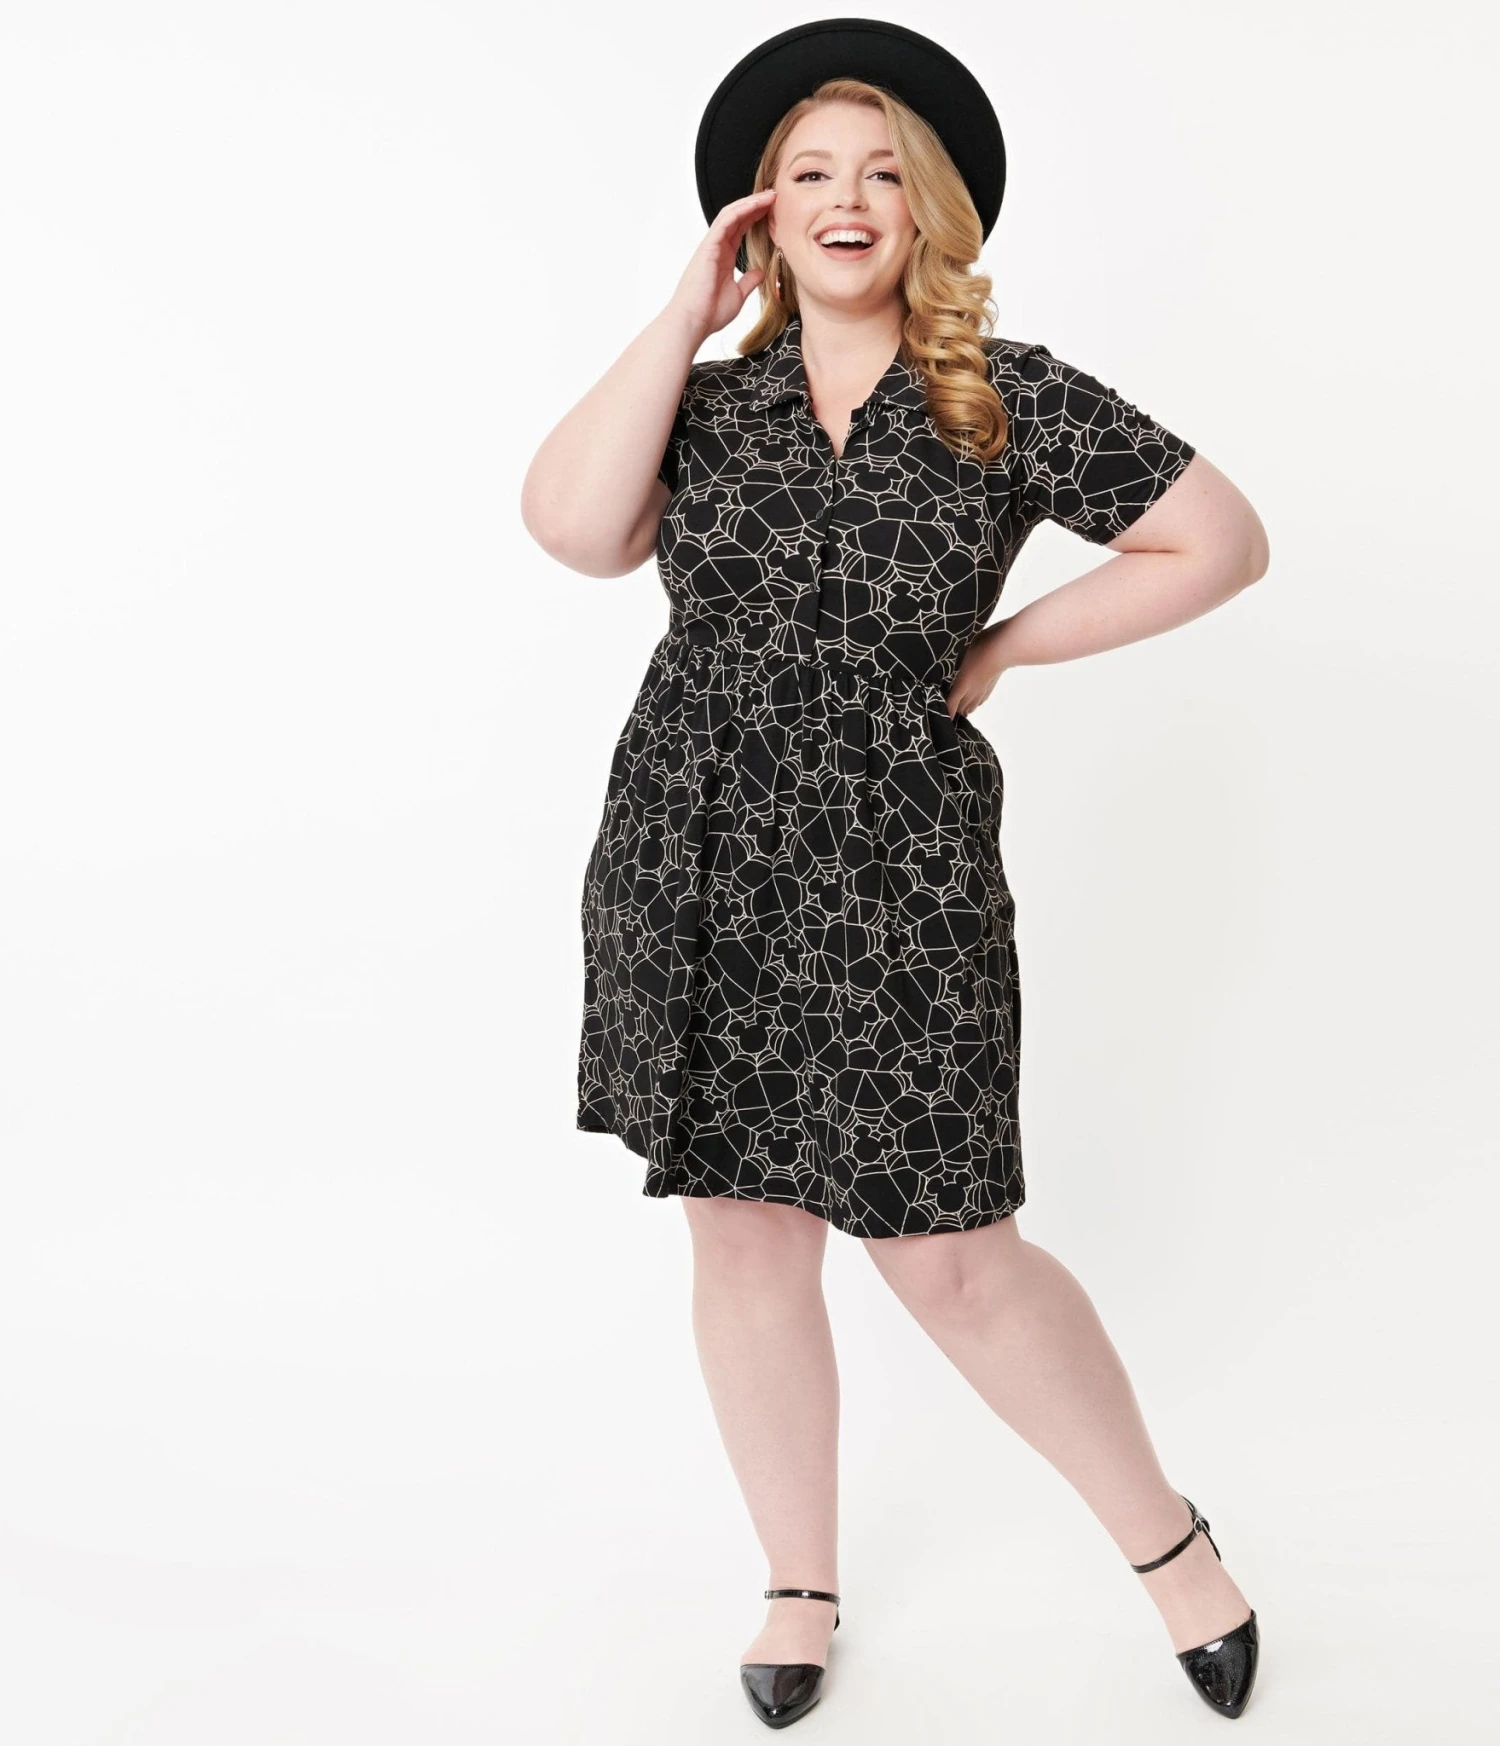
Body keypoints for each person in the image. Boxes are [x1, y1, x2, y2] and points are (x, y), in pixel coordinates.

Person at [521, 18, 1268, 1728]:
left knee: (952, 1252)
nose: (846, 199)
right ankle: (798, 1577)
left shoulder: (1001, 394)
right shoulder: (707, 403)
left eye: (880, 173)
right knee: (743, 1233)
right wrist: (684, 314)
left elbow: (1217, 537)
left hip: (901, 867)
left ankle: (1170, 1548)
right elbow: (570, 526)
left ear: (928, 208)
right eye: (809, 175)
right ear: (761, 213)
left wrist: (999, 648)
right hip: (695, 854)